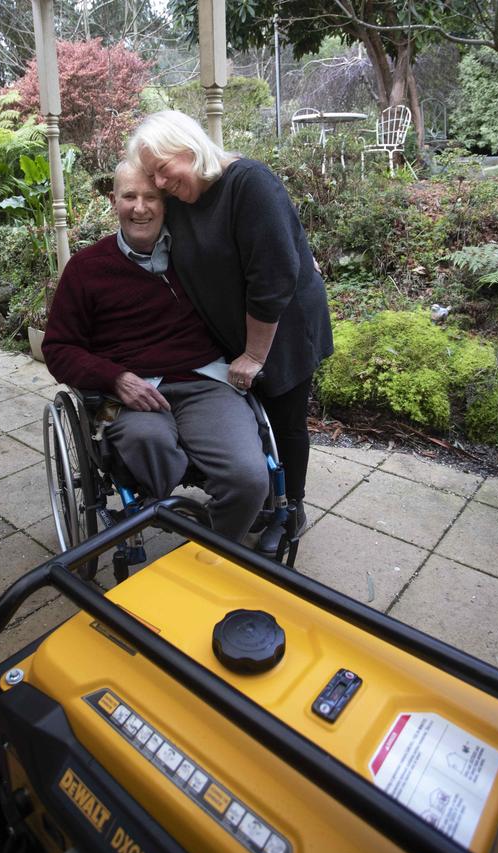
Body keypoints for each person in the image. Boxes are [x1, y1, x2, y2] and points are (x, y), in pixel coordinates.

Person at [125, 110, 334, 555]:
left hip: (283, 326)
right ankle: (259, 495)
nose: (159, 183)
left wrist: (256, 356)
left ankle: (289, 509)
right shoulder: (182, 197)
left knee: (284, 417)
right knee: (249, 418)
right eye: (153, 175)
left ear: (189, 147)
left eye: (163, 169)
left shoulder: (249, 183)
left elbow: (274, 277)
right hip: (234, 325)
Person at [41, 161, 268, 543]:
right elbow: (58, 348)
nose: (140, 208)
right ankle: (158, 502)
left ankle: (212, 549)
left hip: (203, 381)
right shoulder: (85, 269)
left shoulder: (195, 257)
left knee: (249, 479)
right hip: (117, 395)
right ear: (114, 201)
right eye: (129, 196)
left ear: (167, 204)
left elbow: (259, 269)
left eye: (151, 197)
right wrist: (114, 377)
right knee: (146, 442)